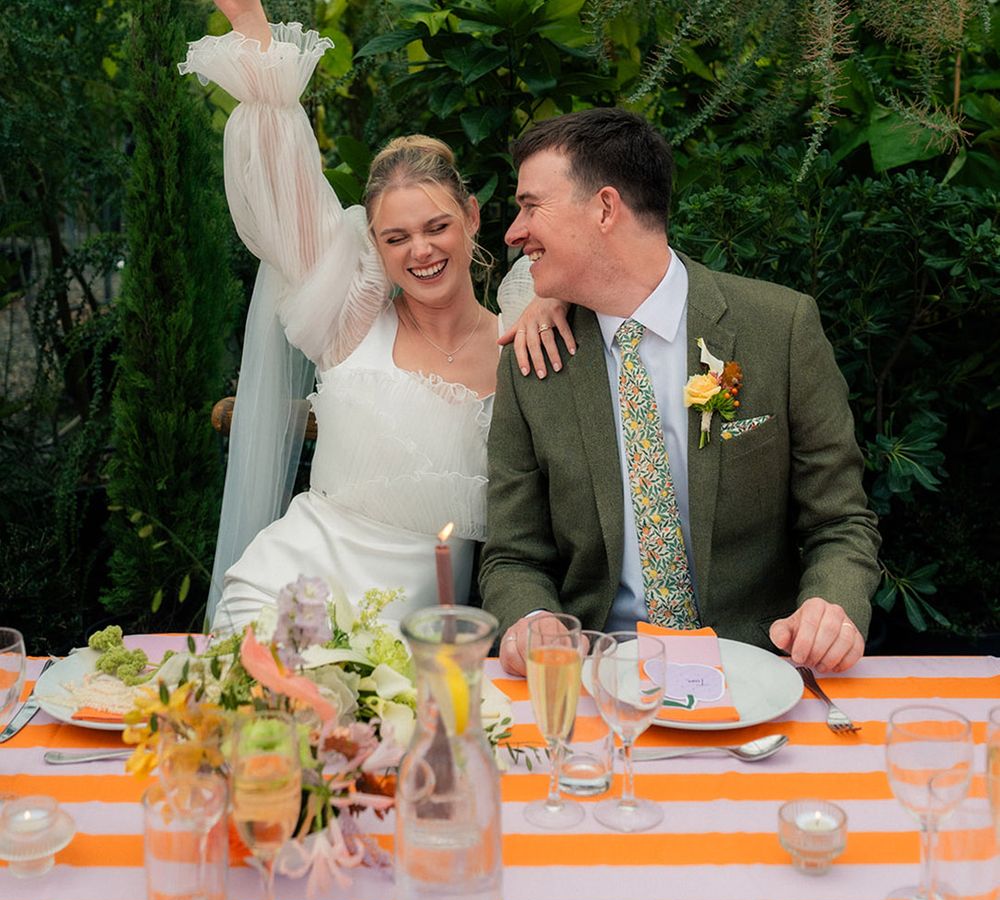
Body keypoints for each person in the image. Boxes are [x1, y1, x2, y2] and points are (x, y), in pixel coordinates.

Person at [181, 1, 564, 632]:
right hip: (286, 596)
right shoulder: (350, 318)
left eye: (437, 227)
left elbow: (616, 266)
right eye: (396, 237)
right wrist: (253, 28)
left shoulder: (523, 332)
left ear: (471, 217)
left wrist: (556, 295)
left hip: (416, 635)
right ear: (375, 248)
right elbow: (288, 187)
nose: (421, 251)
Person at [480, 108, 881, 675]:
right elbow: (513, 556)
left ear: (604, 208)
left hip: (755, 669)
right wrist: (531, 619)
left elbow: (839, 521)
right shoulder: (533, 357)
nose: (514, 233)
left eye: (530, 205)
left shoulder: (779, 328)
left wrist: (830, 605)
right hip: (596, 672)